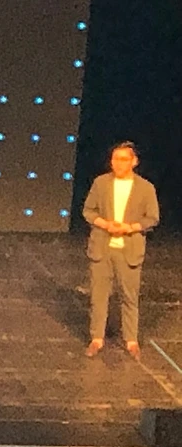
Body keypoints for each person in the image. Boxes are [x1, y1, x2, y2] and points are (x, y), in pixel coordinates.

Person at [82, 141, 159, 358]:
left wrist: (129, 228)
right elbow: (88, 211)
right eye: (115, 159)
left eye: (124, 159)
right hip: (102, 247)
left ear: (134, 162)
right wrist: (106, 224)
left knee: (129, 296)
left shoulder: (145, 188)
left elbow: (152, 218)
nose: (118, 163)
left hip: (129, 249)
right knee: (99, 296)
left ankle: (131, 340)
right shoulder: (101, 183)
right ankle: (96, 338)